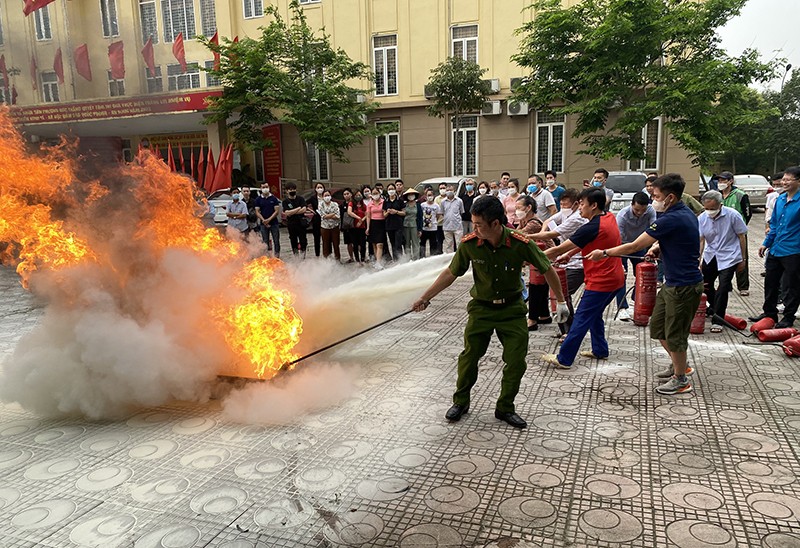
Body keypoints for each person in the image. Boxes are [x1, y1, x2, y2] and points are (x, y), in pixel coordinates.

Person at [412, 196, 569, 429]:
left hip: (513, 310)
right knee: (469, 357)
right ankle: (461, 402)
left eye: (478, 224)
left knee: (516, 361)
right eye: (473, 224)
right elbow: (451, 273)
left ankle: (505, 407)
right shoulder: (469, 244)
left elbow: (547, 269)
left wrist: (562, 301)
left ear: (496, 223)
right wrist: (425, 297)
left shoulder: (520, 243)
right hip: (482, 310)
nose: (474, 228)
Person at [586, 173, 703, 395]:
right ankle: (680, 365)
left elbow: (633, 246)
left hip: (684, 286)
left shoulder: (672, 218)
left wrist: (605, 253)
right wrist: (659, 246)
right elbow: (677, 238)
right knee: (659, 328)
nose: (653, 200)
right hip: (672, 284)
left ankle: (681, 379)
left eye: (656, 196)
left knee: (675, 335)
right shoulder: (680, 213)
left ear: (670, 198)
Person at [541, 188, 625, 369]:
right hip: (615, 278)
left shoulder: (591, 227)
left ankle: (564, 358)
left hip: (602, 281)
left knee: (582, 317)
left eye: (581, 204)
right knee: (594, 315)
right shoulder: (608, 217)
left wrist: (532, 258)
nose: (579, 208)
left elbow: (556, 250)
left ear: (593, 205)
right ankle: (600, 350)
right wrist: (571, 254)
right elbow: (590, 242)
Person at [530, 189, 588, 335]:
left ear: (575, 204)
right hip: (565, 260)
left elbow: (553, 233)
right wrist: (542, 233)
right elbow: (549, 221)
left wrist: (527, 236)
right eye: (561, 203)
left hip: (577, 263)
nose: (563, 206)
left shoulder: (577, 218)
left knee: (562, 294)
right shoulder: (565, 214)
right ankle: (568, 329)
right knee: (562, 294)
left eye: (565, 204)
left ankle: (568, 331)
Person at [752, 167, 800, 328]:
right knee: (770, 283)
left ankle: (788, 316)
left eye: (788, 179)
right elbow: (774, 225)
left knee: (791, 285)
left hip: (794, 250)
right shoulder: (780, 199)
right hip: (776, 248)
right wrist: (766, 243)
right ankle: (769, 313)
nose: (783, 182)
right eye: (783, 179)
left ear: (798, 181)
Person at [698, 190, 748, 333]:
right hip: (711, 254)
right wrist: (698, 260)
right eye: (707, 208)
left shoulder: (733, 215)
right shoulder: (702, 218)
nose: (709, 212)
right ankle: (714, 307)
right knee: (706, 285)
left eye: (712, 208)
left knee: (724, 286)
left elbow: (741, 237)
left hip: (729, 255)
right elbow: (701, 240)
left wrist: (742, 259)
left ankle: (718, 319)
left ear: (720, 205)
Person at [614, 192, 656, 321]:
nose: (640, 213)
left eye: (642, 210)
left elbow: (655, 229)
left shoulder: (650, 211)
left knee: (644, 273)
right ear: (632, 205)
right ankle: (622, 307)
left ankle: (636, 299)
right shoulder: (622, 216)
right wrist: (618, 260)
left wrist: (653, 248)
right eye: (637, 210)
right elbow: (617, 239)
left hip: (640, 245)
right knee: (622, 275)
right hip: (624, 245)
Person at [515, 195, 554, 330]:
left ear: (529, 208)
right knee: (542, 287)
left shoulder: (533, 223)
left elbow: (516, 235)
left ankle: (532, 320)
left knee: (536, 286)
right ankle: (544, 315)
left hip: (546, 257)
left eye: (519, 208)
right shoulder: (524, 221)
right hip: (539, 257)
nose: (517, 211)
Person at [717, 171, 752, 295]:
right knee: (723, 258)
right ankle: (726, 284)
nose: (721, 183)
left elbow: (748, 213)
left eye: (723, 180)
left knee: (741, 257)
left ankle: (743, 286)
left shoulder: (740, 195)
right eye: (719, 181)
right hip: (721, 233)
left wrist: (740, 227)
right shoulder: (717, 195)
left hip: (737, 233)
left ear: (731, 181)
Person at [282, 183, 310, 257]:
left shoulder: (301, 199)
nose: (292, 191)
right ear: (287, 191)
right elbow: (287, 213)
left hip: (301, 223)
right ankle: (296, 256)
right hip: (291, 224)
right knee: (293, 240)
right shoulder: (285, 201)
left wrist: (292, 212)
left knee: (303, 240)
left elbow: (304, 209)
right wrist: (298, 209)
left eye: (294, 189)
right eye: (290, 189)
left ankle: (303, 256)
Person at [255, 183, 282, 258]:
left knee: (276, 241)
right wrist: (264, 220)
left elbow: (276, 211)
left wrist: (269, 219)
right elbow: (257, 211)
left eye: (266, 187)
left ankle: (277, 256)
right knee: (265, 241)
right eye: (263, 187)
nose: (265, 188)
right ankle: (266, 257)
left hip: (274, 223)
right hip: (263, 224)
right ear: (260, 188)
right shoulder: (258, 199)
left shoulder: (273, 198)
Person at [383, 182, 405, 260]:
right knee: (392, 243)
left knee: (398, 243)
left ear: (395, 190)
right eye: (389, 189)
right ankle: (395, 259)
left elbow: (404, 212)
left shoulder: (400, 200)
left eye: (392, 189)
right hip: (389, 225)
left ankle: (400, 259)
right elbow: (384, 215)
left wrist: (396, 212)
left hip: (398, 225)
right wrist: (388, 212)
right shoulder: (385, 201)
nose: (391, 191)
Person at [366, 188, 387, 269]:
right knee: (374, 244)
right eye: (373, 193)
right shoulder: (370, 204)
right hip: (373, 224)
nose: (375, 195)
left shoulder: (383, 202)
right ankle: (377, 261)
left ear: (380, 193)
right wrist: (368, 227)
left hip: (381, 224)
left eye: (376, 193)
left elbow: (385, 213)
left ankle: (379, 262)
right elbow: (368, 216)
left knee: (380, 244)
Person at [318, 189, 341, 261]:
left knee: (336, 244)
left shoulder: (335, 204)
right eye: (325, 195)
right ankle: (327, 260)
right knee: (326, 244)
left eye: (328, 195)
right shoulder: (321, 204)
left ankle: (337, 259)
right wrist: (332, 214)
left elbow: (337, 216)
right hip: (325, 227)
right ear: (322, 197)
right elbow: (323, 216)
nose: (327, 197)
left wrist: (328, 215)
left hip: (334, 227)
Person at [441, 184, 465, 252]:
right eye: (447, 190)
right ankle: (450, 259)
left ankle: (460, 259)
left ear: (454, 191)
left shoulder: (459, 201)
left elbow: (461, 212)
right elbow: (442, 213)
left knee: (459, 244)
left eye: (451, 190)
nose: (449, 191)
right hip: (447, 226)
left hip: (457, 226)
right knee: (449, 245)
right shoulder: (443, 202)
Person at [348, 189, 368, 264]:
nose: (358, 196)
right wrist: (358, 218)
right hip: (353, 227)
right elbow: (349, 212)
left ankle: (363, 259)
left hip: (362, 227)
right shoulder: (351, 203)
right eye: (356, 195)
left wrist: (362, 220)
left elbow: (367, 214)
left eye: (359, 195)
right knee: (355, 244)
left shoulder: (363, 205)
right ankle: (357, 260)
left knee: (363, 244)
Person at [402, 188, 422, 260]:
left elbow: (420, 217)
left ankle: (416, 258)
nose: (411, 196)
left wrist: (420, 229)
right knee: (407, 243)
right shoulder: (404, 205)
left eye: (412, 194)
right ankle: (408, 259)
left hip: (415, 225)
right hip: (405, 225)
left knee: (415, 243)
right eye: (409, 195)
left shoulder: (418, 205)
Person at [420, 189, 440, 257]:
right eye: (428, 195)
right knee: (422, 244)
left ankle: (432, 257)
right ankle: (422, 257)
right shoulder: (422, 205)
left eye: (431, 195)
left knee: (433, 244)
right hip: (424, 228)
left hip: (433, 228)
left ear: (433, 196)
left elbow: (438, 216)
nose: (429, 197)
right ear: (425, 196)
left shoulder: (436, 206)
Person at [307, 182, 326, 257]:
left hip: (326, 219)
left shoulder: (326, 196)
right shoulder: (313, 198)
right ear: (315, 189)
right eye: (318, 187)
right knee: (317, 238)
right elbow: (304, 204)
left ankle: (327, 254)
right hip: (317, 219)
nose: (320, 189)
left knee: (326, 238)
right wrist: (311, 211)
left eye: (321, 187)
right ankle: (317, 255)